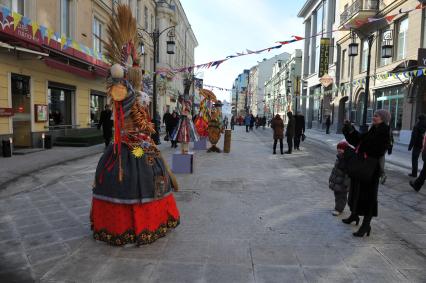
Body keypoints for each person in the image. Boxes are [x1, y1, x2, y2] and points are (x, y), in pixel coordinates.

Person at [341, 109, 391, 237]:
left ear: (383, 119)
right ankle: (354, 215)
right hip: (364, 165)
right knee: (356, 191)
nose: (374, 117)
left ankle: (366, 225)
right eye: (374, 115)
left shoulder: (384, 131)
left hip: (372, 169)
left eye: (376, 116)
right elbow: (359, 140)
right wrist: (349, 129)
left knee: (369, 197)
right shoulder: (373, 129)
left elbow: (379, 150)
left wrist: (364, 149)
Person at [329, 141, 351, 216]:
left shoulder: (347, 159)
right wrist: (331, 178)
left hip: (342, 183)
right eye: (338, 149)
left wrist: (346, 183)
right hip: (337, 182)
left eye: (341, 149)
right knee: (337, 195)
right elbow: (334, 170)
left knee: (342, 197)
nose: (339, 150)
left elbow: (348, 174)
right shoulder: (339, 157)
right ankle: (337, 207)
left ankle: (339, 209)